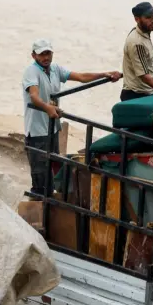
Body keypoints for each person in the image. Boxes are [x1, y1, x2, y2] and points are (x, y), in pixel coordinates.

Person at [22, 38, 122, 195]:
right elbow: (34, 96)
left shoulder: (55, 69)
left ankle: (51, 198)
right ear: (34, 56)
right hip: (37, 130)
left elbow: (81, 77)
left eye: (48, 53)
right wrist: (47, 108)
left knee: (53, 166)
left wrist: (105, 75)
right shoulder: (31, 71)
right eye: (42, 54)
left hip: (52, 128)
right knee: (40, 175)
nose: (46, 57)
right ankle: (40, 200)